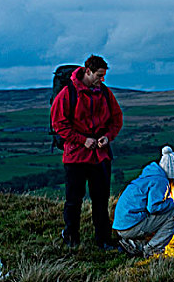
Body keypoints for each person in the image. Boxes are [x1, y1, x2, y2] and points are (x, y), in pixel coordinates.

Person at [51, 55, 123, 249]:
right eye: (100, 75)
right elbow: (58, 124)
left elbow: (116, 119)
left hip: (100, 155)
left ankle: (104, 241)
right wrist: (83, 140)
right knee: (73, 201)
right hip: (76, 156)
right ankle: (72, 240)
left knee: (101, 201)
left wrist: (108, 136)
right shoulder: (68, 93)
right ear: (88, 71)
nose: (102, 79)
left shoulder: (105, 93)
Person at [113, 146, 174, 258]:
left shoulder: (150, 175)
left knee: (161, 212)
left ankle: (133, 245)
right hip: (130, 226)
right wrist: (172, 202)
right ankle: (153, 249)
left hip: (121, 226)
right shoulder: (161, 181)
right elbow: (153, 207)